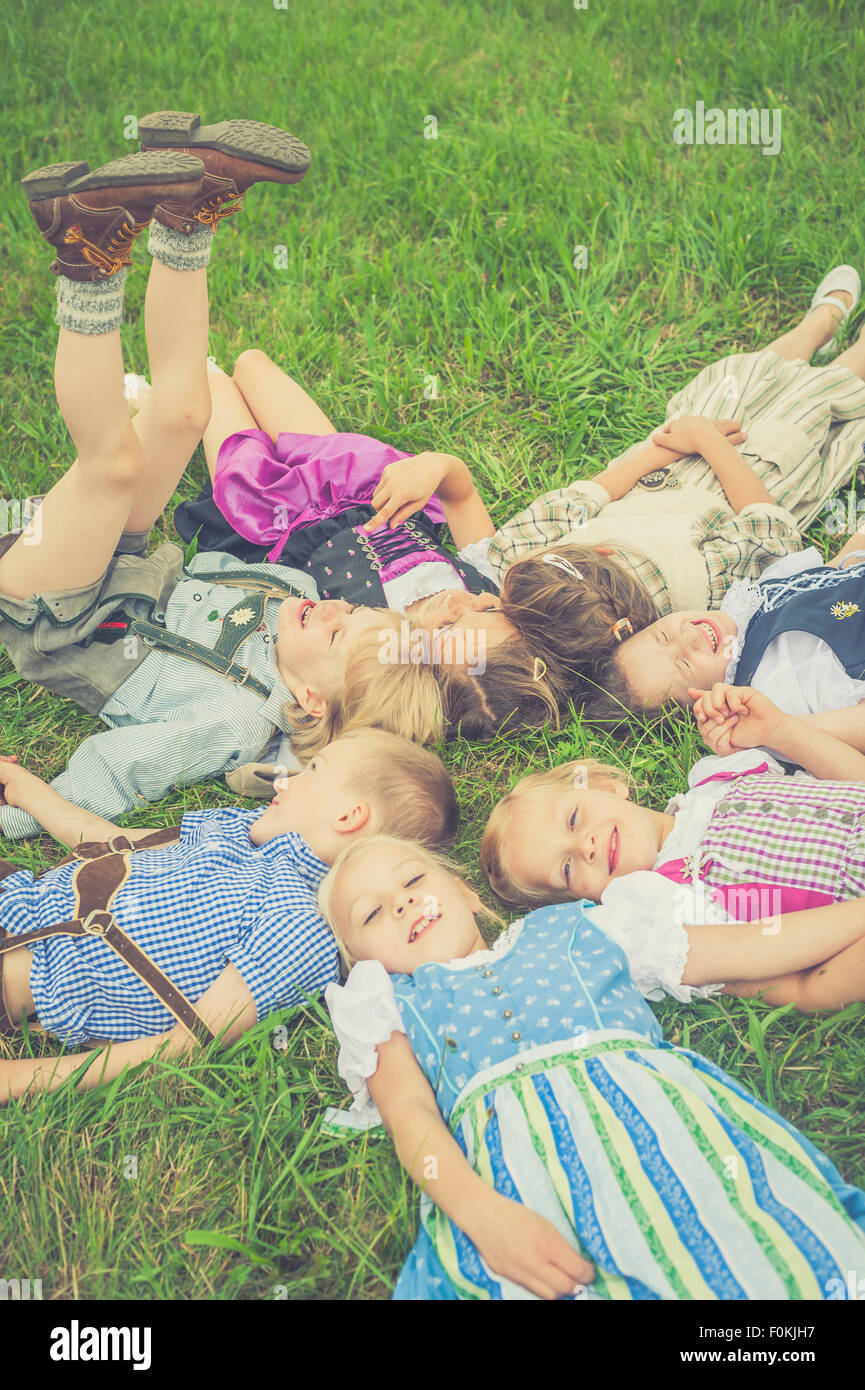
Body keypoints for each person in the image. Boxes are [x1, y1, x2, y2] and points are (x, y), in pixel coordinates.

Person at [0, 114, 442, 843]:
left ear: (305, 695)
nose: (337, 610)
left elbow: (119, 767)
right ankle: (184, 209)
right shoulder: (298, 600)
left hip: (56, 614)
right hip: (123, 560)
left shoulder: (230, 722)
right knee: (183, 408)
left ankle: (82, 253)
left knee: (111, 465)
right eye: (355, 614)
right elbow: (209, 562)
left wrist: (22, 810)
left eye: (339, 636)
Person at [319, 834, 865, 1299]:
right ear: (362, 963)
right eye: (370, 913)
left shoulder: (585, 930)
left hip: (667, 1137)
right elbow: (409, 1114)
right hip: (518, 1186)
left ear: (464, 892)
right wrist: (483, 1217)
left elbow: (753, 947)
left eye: (413, 881)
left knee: (748, 1251)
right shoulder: (390, 1007)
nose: (401, 904)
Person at [0, 728, 458, 1100]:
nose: (284, 781)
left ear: (349, 815)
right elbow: (113, 841)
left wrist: (19, 1079)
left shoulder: (302, 928)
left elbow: (184, 1045)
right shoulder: (245, 827)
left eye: (311, 771)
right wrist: (25, 790)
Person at [170, 349, 562, 737]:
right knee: (252, 363)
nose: (462, 602)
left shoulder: (363, 647)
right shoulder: (486, 583)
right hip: (354, 486)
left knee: (212, 388)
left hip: (275, 521)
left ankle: (186, 386)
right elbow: (461, 496)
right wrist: (437, 466)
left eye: (447, 625)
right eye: (488, 607)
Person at [480, 687, 865, 1010]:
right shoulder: (664, 910)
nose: (586, 846)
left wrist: (781, 729)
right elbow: (802, 981)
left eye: (573, 820)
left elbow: (853, 792)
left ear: (602, 785)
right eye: (566, 868)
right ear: (579, 902)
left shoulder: (719, 776)